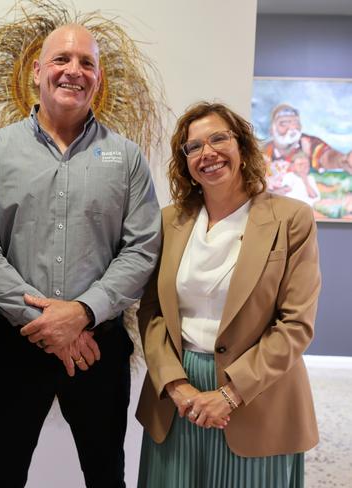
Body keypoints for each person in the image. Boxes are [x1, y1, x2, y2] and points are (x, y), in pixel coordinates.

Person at [0, 24, 161, 488]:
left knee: (106, 474)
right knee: (3, 476)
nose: (74, 71)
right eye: (61, 60)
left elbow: (141, 248)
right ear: (36, 72)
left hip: (99, 347)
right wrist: (51, 325)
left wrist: (83, 313)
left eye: (86, 63)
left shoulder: (127, 158)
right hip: (16, 345)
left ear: (98, 78)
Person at [136, 102, 320, 487]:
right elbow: (151, 312)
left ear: (243, 146)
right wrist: (174, 384)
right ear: (184, 161)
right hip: (178, 401)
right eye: (194, 147)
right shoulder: (170, 221)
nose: (208, 153)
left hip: (257, 398)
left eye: (219, 138)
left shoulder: (291, 218)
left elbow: (296, 325)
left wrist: (231, 394)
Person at [263, 103, 352, 173]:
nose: (292, 128)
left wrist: (343, 160)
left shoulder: (307, 143)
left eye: (295, 123)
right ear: (272, 130)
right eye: (284, 123)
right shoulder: (264, 150)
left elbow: (326, 156)